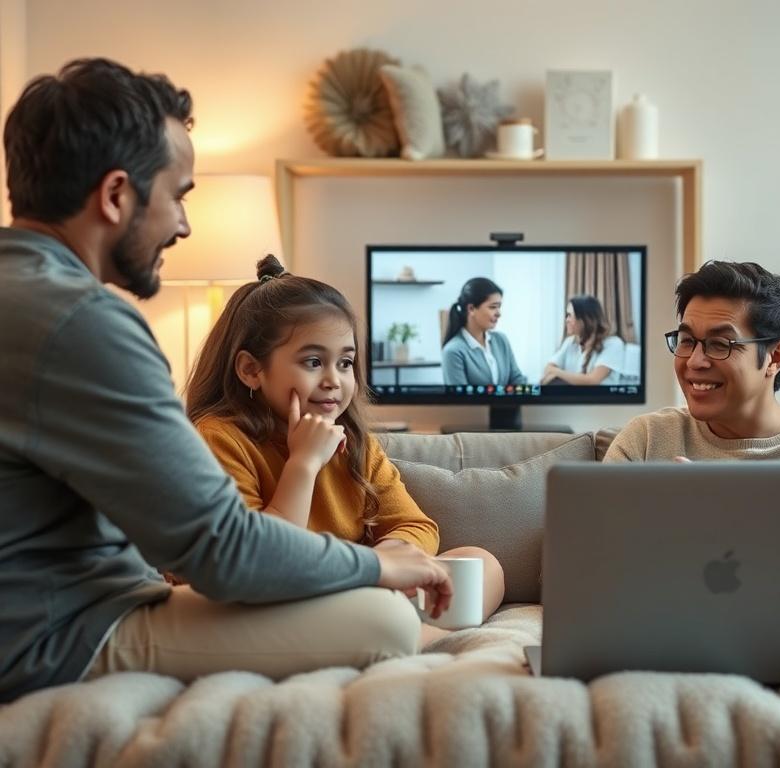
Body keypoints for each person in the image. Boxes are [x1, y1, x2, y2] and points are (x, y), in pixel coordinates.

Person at [0, 58, 452, 704]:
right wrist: (379, 564)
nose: (184, 225)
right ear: (115, 195)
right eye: (179, 195)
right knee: (382, 622)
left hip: (44, 618)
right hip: (55, 638)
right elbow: (222, 553)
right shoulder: (81, 324)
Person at [186, 255, 506, 643]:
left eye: (346, 363)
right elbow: (260, 559)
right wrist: (303, 463)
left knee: (481, 564)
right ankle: (401, 641)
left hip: (358, 590)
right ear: (251, 369)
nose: (334, 380)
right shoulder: (219, 438)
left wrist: (388, 559)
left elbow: (416, 525)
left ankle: (410, 641)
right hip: (274, 602)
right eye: (314, 361)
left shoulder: (353, 441)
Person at [605, 261, 780, 461]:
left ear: (775, 357)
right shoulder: (647, 441)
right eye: (687, 340)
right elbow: (600, 522)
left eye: (720, 344)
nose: (694, 362)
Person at [441, 277, 527, 387]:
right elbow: (461, 401)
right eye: (493, 307)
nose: (498, 313)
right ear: (471, 309)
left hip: (508, 405)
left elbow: (517, 380)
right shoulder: (453, 351)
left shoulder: (501, 340)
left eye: (499, 307)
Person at [542, 295, 627, 385]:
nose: (567, 320)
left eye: (570, 315)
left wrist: (556, 372)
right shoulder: (570, 342)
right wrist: (554, 372)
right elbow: (548, 368)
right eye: (567, 315)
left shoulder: (613, 344)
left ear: (585, 319)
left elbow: (592, 381)